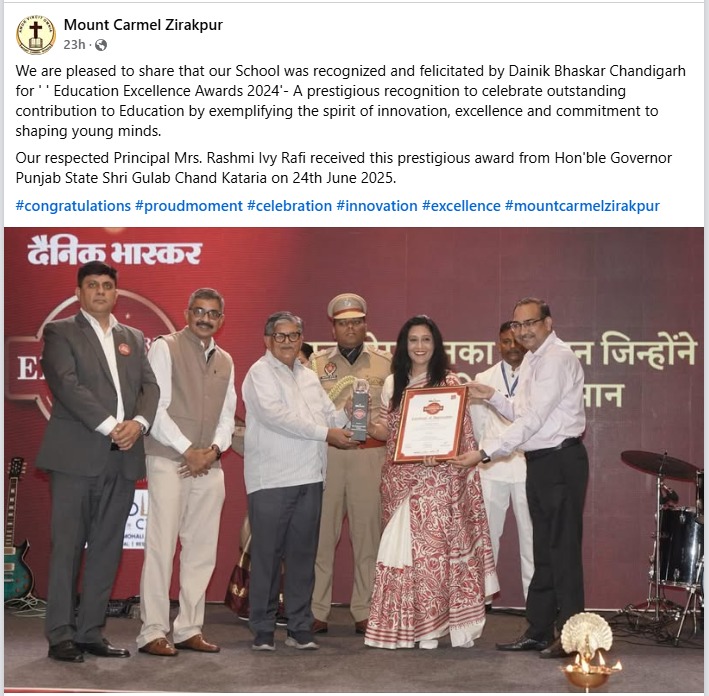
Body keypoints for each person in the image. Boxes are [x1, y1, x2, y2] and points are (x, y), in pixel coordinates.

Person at [36, 261, 159, 662]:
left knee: (107, 549)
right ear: (79, 293)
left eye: (107, 285)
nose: (101, 291)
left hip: (122, 458)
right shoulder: (60, 332)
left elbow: (150, 387)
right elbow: (66, 384)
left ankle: (90, 632)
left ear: (116, 293)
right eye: (92, 285)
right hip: (76, 456)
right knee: (68, 548)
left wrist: (139, 424)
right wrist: (112, 427)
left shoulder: (133, 337)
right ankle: (60, 634)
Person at [457, 298, 588, 659]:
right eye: (517, 325)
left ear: (548, 322)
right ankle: (540, 630)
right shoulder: (533, 359)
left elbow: (533, 420)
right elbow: (521, 411)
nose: (523, 331)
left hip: (561, 461)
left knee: (562, 551)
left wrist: (485, 452)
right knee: (543, 550)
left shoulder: (557, 358)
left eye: (530, 323)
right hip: (540, 462)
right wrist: (492, 396)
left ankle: (573, 635)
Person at [364, 315, 498, 650]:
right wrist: (364, 423)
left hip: (438, 481)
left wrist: (438, 453)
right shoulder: (394, 383)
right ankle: (402, 628)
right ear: (404, 345)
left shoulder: (450, 382)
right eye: (413, 340)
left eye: (426, 339)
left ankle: (431, 630)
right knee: (399, 552)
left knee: (432, 556)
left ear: (436, 345)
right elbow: (387, 431)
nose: (420, 346)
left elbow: (461, 433)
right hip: (400, 481)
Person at [242, 311, 358, 651]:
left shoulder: (308, 376)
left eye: (294, 336)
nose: (288, 342)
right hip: (272, 479)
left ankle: (299, 627)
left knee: (303, 557)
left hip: (310, 478)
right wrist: (326, 433)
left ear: (301, 339)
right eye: (281, 336)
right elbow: (277, 418)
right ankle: (263, 629)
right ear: (267, 340)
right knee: (267, 557)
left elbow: (328, 416)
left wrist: (349, 411)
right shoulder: (259, 373)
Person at [136, 288, 236, 657]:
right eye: (199, 311)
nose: (205, 318)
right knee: (161, 547)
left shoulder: (225, 359)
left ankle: (189, 628)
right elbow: (156, 407)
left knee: (201, 550)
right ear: (187, 312)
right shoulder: (165, 347)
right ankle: (152, 631)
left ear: (221, 320)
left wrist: (212, 451)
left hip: (210, 464)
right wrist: (187, 451)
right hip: (169, 460)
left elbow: (228, 416)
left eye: (213, 313)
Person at [310, 293, 392, 635]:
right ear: (333, 328)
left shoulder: (385, 363)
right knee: (320, 537)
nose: (350, 328)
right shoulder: (314, 365)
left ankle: (365, 609)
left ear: (365, 325)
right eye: (343, 323)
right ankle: (316, 609)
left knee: (367, 537)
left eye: (357, 322)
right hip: (328, 455)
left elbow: (394, 412)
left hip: (368, 456)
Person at [468, 322, 534, 605]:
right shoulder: (485, 377)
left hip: (527, 466)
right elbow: (478, 425)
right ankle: (482, 600)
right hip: (492, 467)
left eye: (516, 342)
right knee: (487, 536)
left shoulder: (537, 374)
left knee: (531, 538)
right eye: (506, 342)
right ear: (499, 344)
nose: (512, 347)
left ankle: (534, 600)